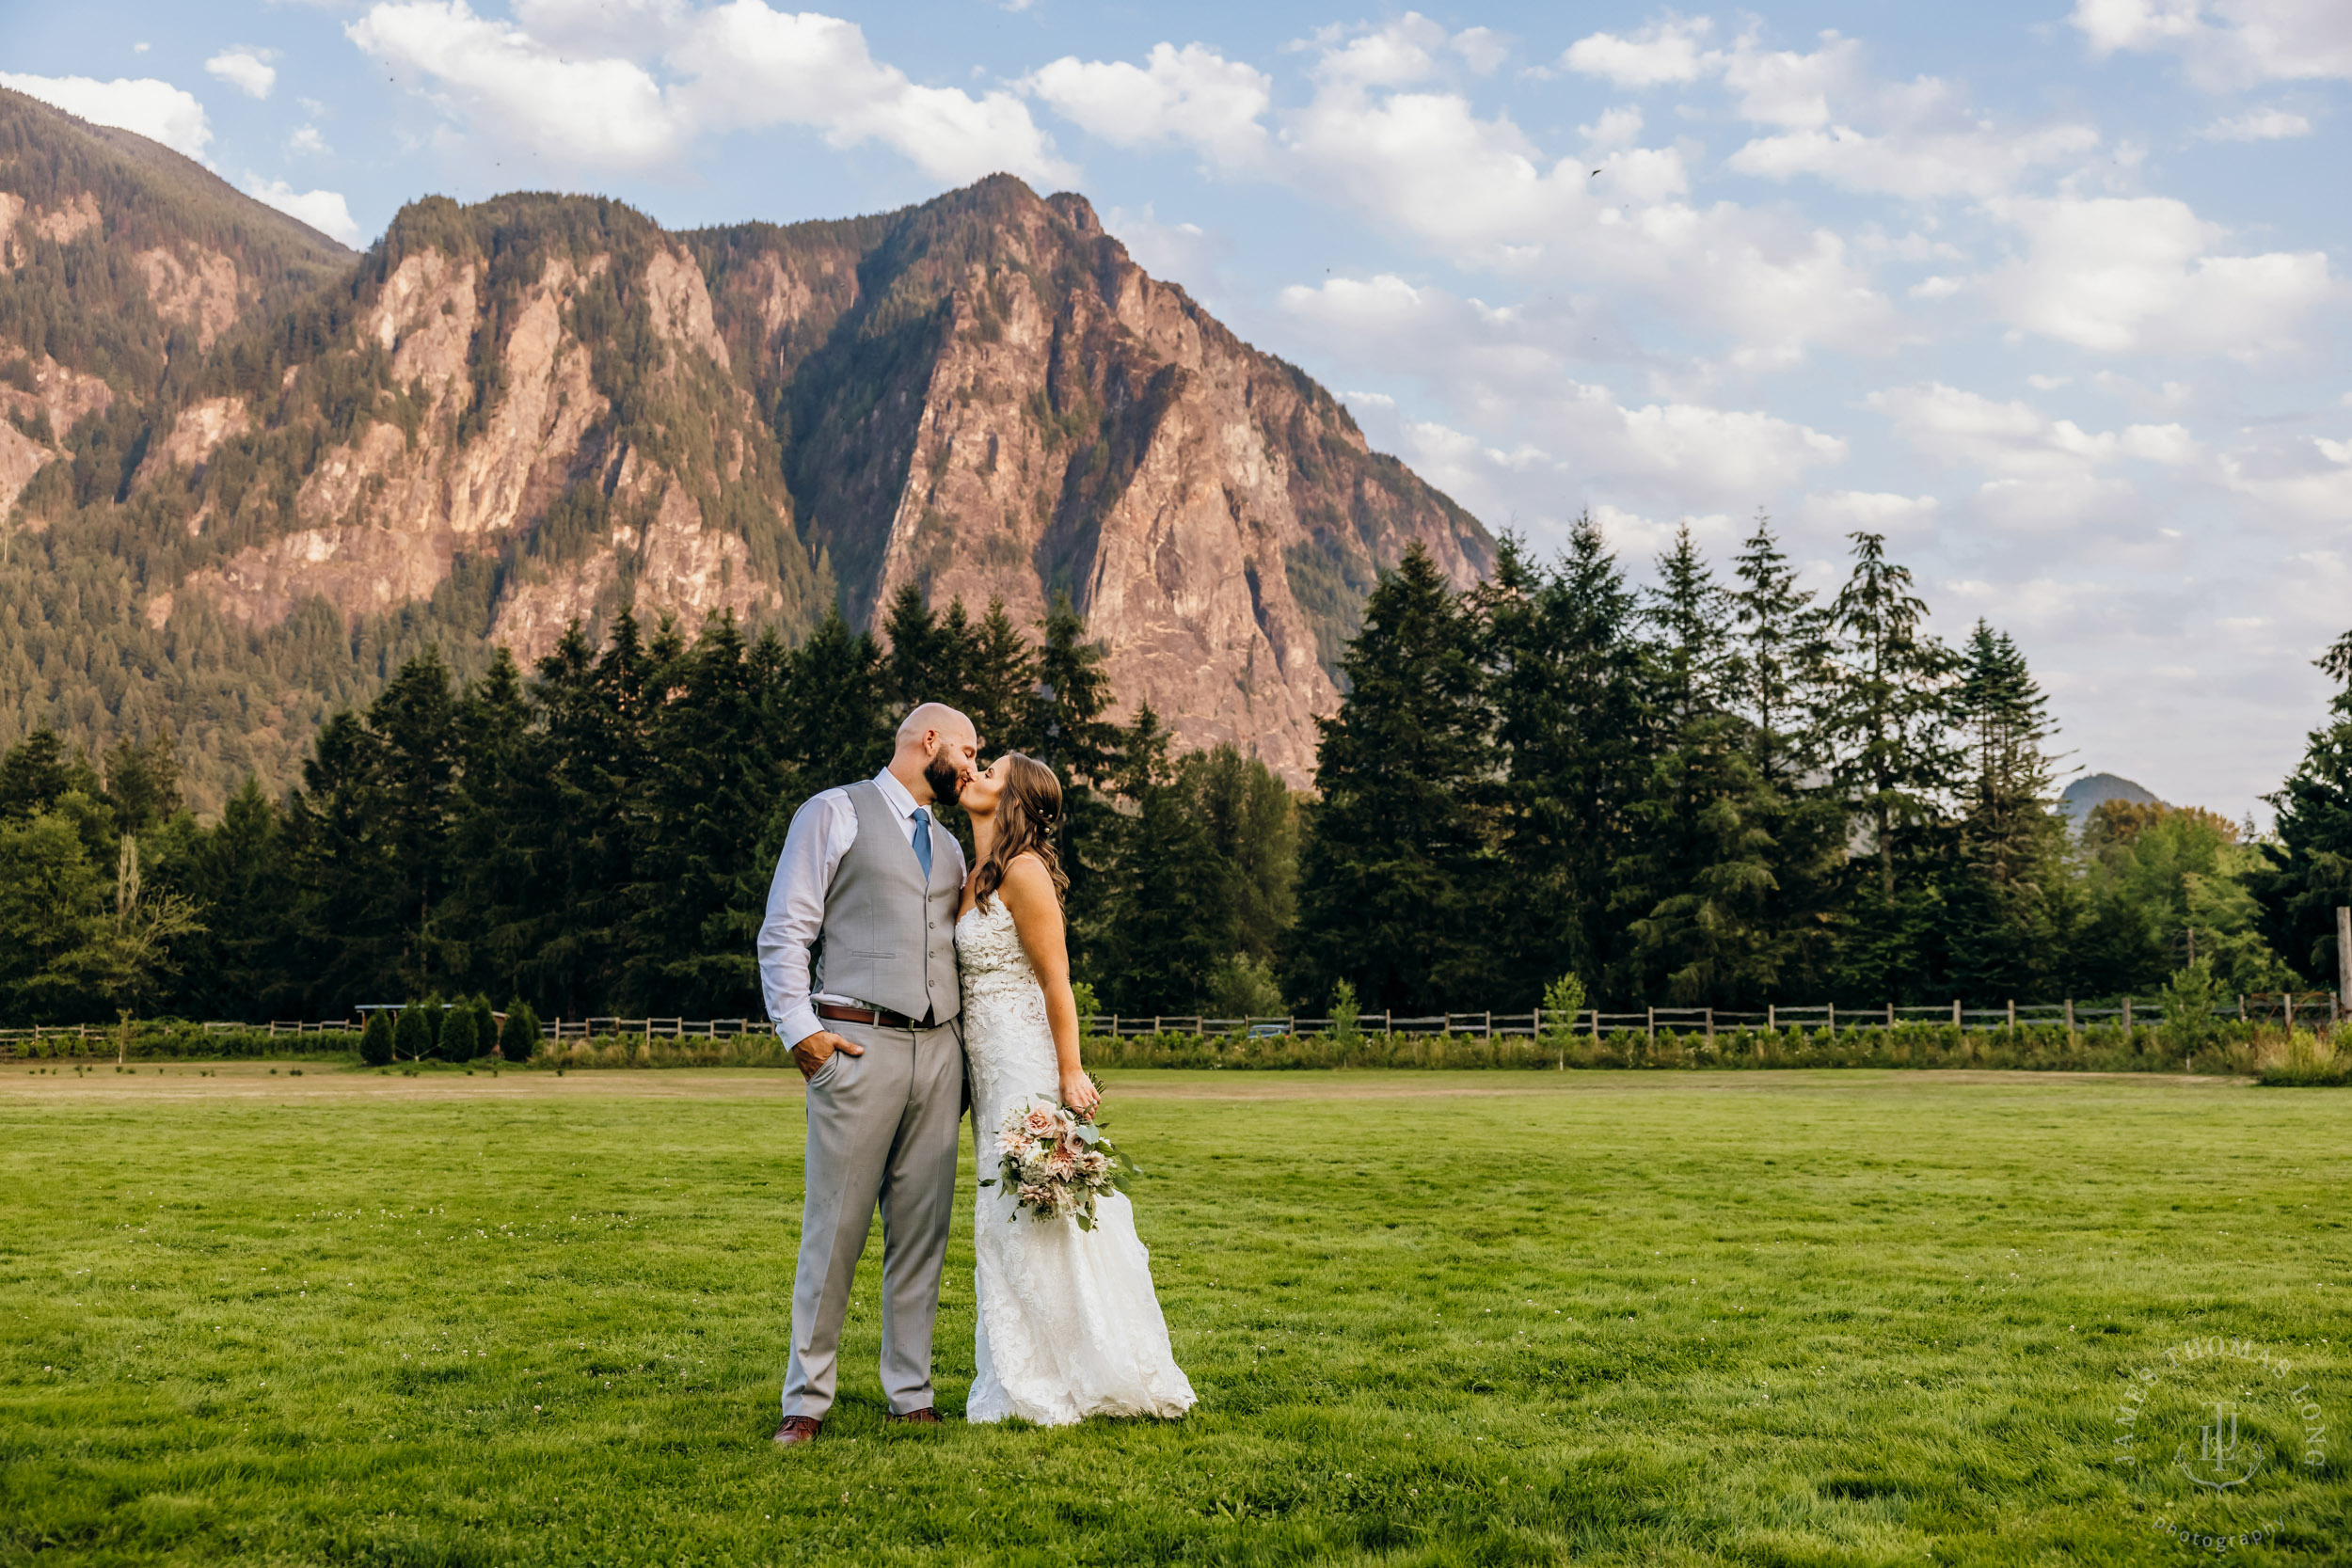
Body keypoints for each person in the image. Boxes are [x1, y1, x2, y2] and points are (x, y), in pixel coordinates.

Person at [756, 702, 977, 1448]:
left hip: (939, 1051)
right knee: (836, 1229)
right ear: (929, 741)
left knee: (922, 1233)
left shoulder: (949, 849)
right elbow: (786, 928)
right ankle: (806, 1400)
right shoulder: (832, 811)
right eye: (969, 751)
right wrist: (803, 1035)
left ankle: (910, 1390)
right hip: (855, 1044)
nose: (973, 766)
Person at [955, 752, 1196, 1424]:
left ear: (1015, 800)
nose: (975, 775)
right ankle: (1017, 1364)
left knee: (1038, 1207)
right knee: (1003, 1213)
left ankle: (1079, 1365)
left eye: (991, 772)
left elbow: (1056, 980)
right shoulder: (975, 872)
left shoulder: (1025, 872)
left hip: (1025, 1059)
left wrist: (1069, 1070)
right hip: (986, 1059)